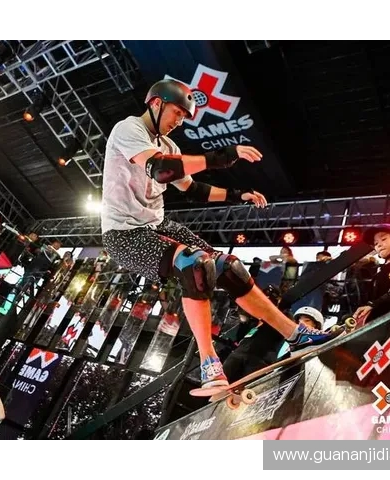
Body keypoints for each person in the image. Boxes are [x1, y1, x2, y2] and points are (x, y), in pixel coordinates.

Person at [100, 78, 341, 389]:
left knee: (228, 266)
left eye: (184, 117)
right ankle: (209, 364)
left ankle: (295, 335)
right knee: (195, 264)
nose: (179, 122)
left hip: (157, 226)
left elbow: (193, 189)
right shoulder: (128, 129)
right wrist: (221, 157)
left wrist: (237, 195)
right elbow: (160, 169)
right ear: (156, 104)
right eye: (177, 113)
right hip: (123, 235)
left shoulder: (170, 146)